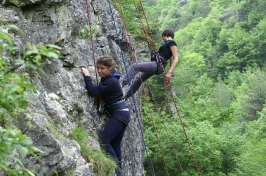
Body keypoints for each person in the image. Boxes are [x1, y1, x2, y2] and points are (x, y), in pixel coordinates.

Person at [81, 56, 130, 176]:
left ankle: (117, 171)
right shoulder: (111, 77)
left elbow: (93, 91)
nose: (99, 71)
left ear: (110, 68)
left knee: (104, 140)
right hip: (123, 113)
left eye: (102, 68)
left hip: (119, 113)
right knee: (114, 143)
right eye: (97, 68)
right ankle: (119, 172)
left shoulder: (111, 81)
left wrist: (87, 75)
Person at [122, 28, 179, 99]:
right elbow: (171, 60)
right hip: (158, 65)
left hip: (157, 64)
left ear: (165, 35)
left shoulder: (172, 43)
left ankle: (121, 84)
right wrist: (169, 74)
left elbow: (176, 58)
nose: (162, 39)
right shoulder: (168, 45)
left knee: (135, 67)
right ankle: (125, 97)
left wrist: (169, 73)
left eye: (163, 37)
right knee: (139, 79)